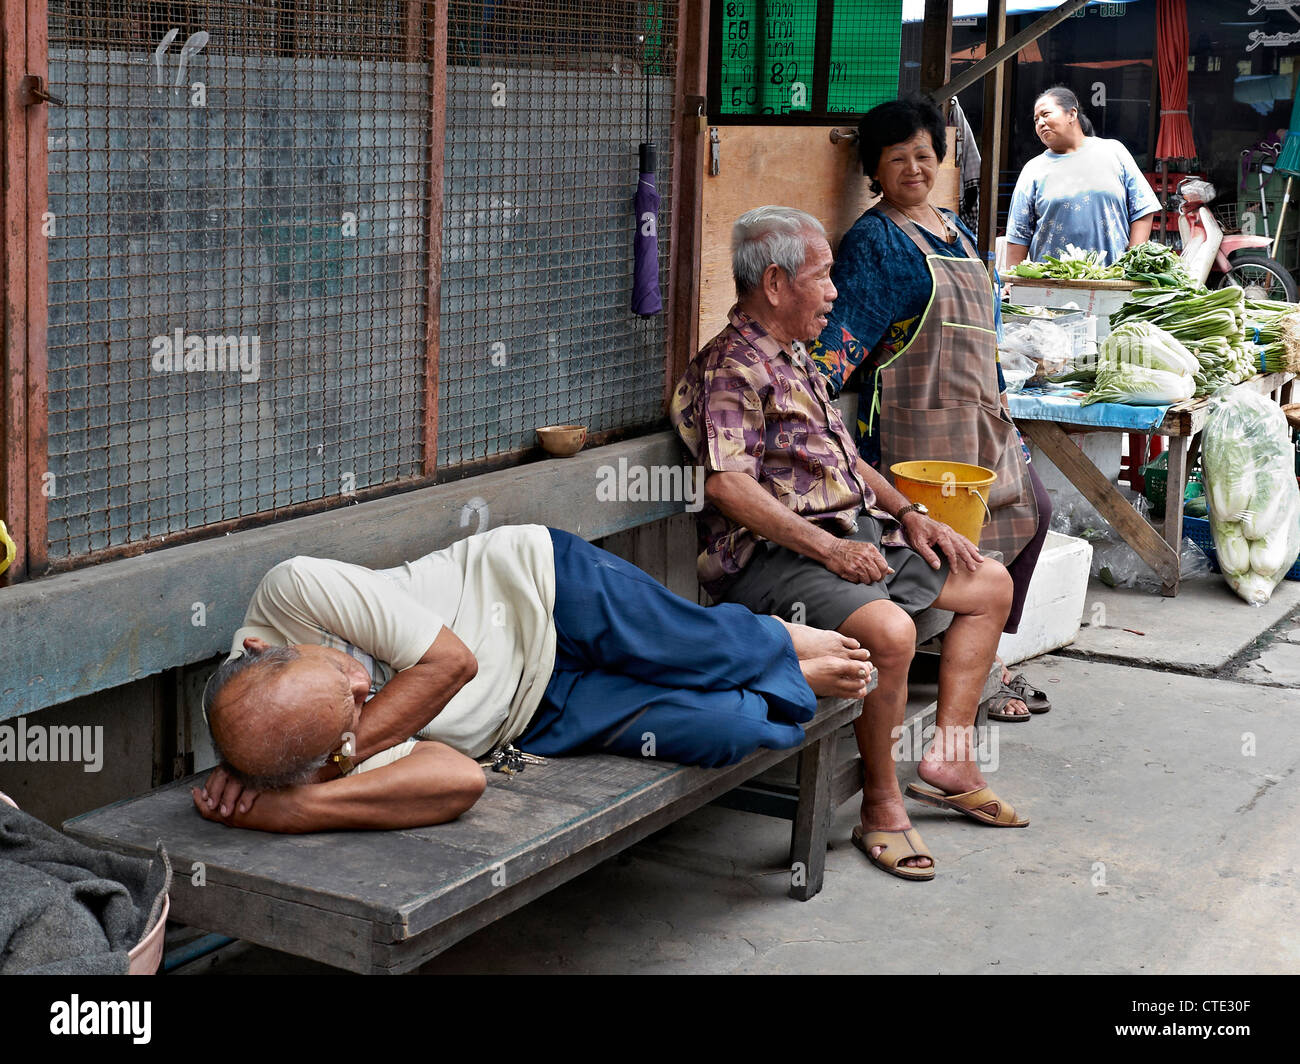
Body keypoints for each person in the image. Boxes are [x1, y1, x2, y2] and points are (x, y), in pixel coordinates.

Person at [670, 206, 1031, 883]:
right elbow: (728, 488)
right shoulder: (732, 369)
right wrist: (831, 552)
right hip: (770, 564)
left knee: (989, 585)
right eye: (823, 276)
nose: (835, 291)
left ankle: (950, 756)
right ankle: (881, 804)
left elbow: (844, 459)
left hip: (850, 538)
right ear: (776, 283)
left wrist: (911, 513)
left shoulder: (795, 357)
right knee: (892, 632)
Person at [192, 524, 873, 833]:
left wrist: (343, 754)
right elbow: (460, 780)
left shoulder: (293, 593)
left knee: (697, 646)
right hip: (537, 712)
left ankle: (778, 641)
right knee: (730, 731)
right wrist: (299, 806)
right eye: (347, 715)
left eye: (342, 669)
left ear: (262, 647)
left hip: (537, 591)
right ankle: (778, 672)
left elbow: (452, 664)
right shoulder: (295, 750)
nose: (362, 685)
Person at [809, 95, 1052, 722]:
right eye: (896, 159)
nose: (913, 168)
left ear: (940, 159)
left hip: (979, 417)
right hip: (912, 433)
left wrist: (1002, 405)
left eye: (923, 155)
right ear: (875, 170)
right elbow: (835, 352)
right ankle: (969, 668)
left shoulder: (955, 228)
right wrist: (819, 416)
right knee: (950, 545)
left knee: (1035, 510)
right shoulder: (875, 243)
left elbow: (985, 329)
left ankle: (977, 653)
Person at [1006, 85, 1161, 268]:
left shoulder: (1113, 152)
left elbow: (1142, 208)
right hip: (1051, 285)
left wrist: (1133, 264)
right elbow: (1019, 233)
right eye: (1036, 119)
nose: (1040, 123)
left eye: (1045, 114)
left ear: (1072, 114)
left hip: (1112, 280)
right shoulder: (1033, 169)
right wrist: (1011, 281)